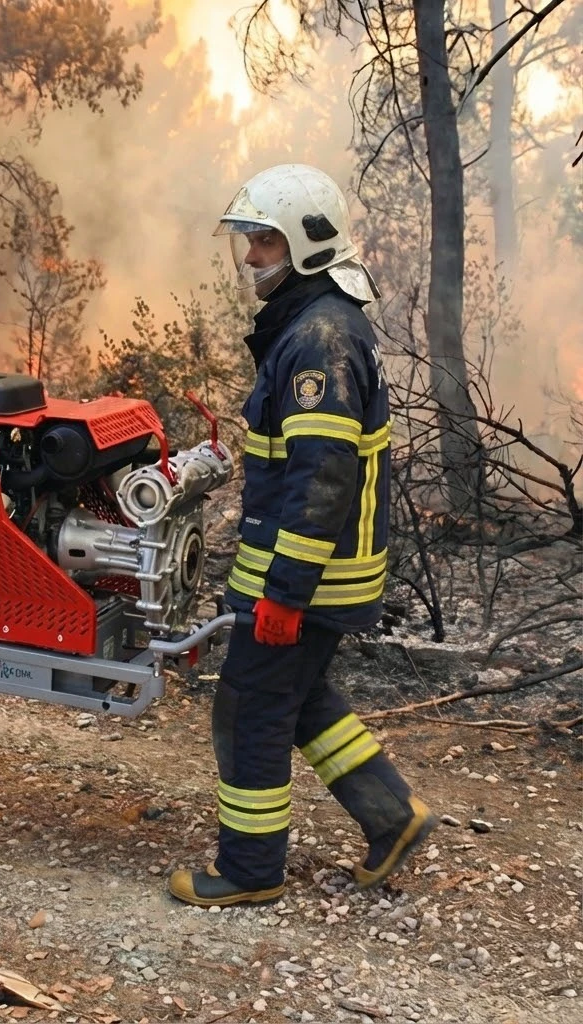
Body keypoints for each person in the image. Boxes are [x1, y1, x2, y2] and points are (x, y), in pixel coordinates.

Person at [168, 164, 436, 907]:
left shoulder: (318, 337)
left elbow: (322, 479)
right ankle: (393, 816)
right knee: (302, 695)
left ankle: (250, 870)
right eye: (250, 239)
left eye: (263, 240)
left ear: (307, 245)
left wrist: (284, 592)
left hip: (306, 576)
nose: (250, 255)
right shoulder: (312, 323)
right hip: (305, 570)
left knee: (252, 705)